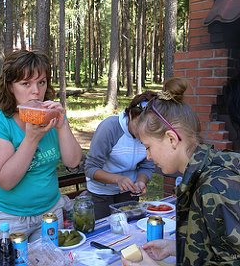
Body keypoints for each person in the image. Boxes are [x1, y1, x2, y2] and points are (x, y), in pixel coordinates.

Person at [122, 77, 240, 265]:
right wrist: (176, 247)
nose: (148, 156)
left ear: (171, 139)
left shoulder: (214, 188)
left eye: (148, 147)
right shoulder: (201, 174)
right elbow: (216, 250)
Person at [0, 49, 82, 260]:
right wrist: (31, 138)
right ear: (10, 86)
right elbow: (6, 180)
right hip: (8, 219)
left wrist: (62, 125)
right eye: (26, 84)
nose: (36, 91)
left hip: (49, 213)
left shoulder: (50, 117)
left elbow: (73, 161)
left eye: (41, 82)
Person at [84, 92, 156, 219]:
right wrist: (118, 179)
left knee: (129, 228)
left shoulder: (152, 134)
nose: (143, 132)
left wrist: (141, 181)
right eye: (139, 125)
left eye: (148, 128)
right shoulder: (110, 128)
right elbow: (90, 169)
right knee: (104, 231)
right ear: (129, 114)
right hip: (101, 193)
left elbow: (147, 166)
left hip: (128, 192)